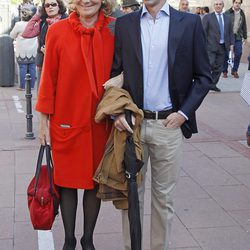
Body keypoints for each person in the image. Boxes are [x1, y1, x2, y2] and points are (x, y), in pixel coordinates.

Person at [111, 0, 212, 248]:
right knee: (131, 198)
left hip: (169, 125)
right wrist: (118, 113)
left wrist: (184, 113)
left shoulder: (189, 23)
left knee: (163, 199)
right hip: (134, 125)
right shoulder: (125, 24)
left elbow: (203, 77)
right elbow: (115, 72)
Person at [35, 0, 115, 248]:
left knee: (94, 182)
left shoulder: (115, 29)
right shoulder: (57, 31)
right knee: (66, 182)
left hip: (101, 122)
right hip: (66, 121)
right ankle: (69, 240)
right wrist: (43, 123)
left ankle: (87, 239)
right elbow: (48, 79)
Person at [22, 0, 67, 91]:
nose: (50, 7)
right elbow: (26, 33)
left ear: (59, 6)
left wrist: (51, 51)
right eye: (47, 5)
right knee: (42, 94)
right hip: (43, 63)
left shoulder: (67, 22)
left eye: (53, 4)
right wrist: (37, 16)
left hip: (62, 65)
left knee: (60, 93)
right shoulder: (43, 23)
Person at [202, 0, 234, 92]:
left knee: (219, 68)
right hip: (210, 46)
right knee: (210, 64)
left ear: (223, 6)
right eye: (216, 4)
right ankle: (204, 84)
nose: (218, 6)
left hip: (223, 46)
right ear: (213, 6)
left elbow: (230, 32)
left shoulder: (227, 18)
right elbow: (203, 32)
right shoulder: (207, 17)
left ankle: (212, 85)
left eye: (220, 4)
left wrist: (232, 44)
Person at [10, 7, 37, 90]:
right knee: (32, 68)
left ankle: (22, 86)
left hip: (22, 50)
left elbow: (12, 35)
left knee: (22, 68)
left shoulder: (19, 24)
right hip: (33, 50)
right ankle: (32, 86)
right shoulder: (35, 24)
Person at [222, 0, 247, 79]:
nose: (237, 4)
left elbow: (244, 25)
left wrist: (245, 37)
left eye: (239, 3)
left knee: (239, 53)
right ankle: (225, 71)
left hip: (238, 37)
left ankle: (234, 70)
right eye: (236, 2)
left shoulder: (242, 13)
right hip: (228, 37)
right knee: (226, 54)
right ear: (233, 3)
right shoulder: (227, 13)